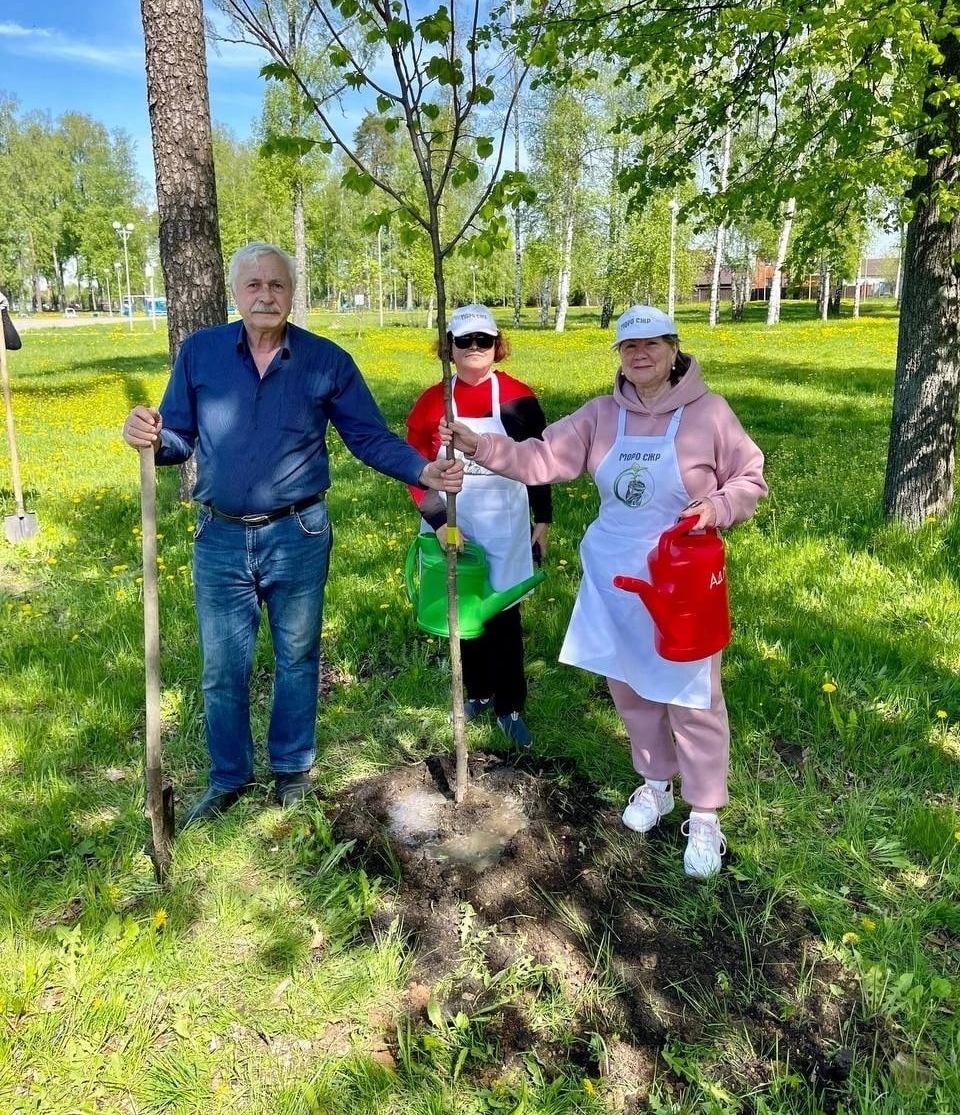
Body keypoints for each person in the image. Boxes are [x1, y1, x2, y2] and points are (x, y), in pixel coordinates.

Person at [122, 243, 463, 828]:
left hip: (298, 532)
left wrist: (421, 469)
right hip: (220, 537)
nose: (265, 295)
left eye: (276, 285)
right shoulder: (200, 353)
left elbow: (368, 436)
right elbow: (178, 439)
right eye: (253, 285)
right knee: (222, 667)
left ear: (291, 292)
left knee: (298, 656)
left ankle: (292, 773)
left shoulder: (325, 360)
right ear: (236, 293)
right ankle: (228, 777)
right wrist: (151, 437)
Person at [440, 305, 766, 877]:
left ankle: (707, 814)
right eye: (628, 347)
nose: (640, 355)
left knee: (692, 698)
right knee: (632, 690)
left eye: (652, 345)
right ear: (619, 355)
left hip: (681, 580)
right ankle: (654, 784)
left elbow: (749, 477)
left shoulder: (709, 413)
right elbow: (541, 456)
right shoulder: (600, 415)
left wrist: (717, 507)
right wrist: (480, 446)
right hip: (614, 578)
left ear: (673, 349)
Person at [406, 304, 552, 747]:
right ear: (448, 346)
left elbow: (539, 461)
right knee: (464, 615)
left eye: (482, 340)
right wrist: (436, 521)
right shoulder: (433, 401)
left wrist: (542, 520)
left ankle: (510, 706)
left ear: (496, 345)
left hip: (506, 525)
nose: (474, 349)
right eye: (463, 340)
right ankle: (478, 694)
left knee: (504, 618)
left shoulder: (518, 398)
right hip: (454, 523)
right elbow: (413, 465)